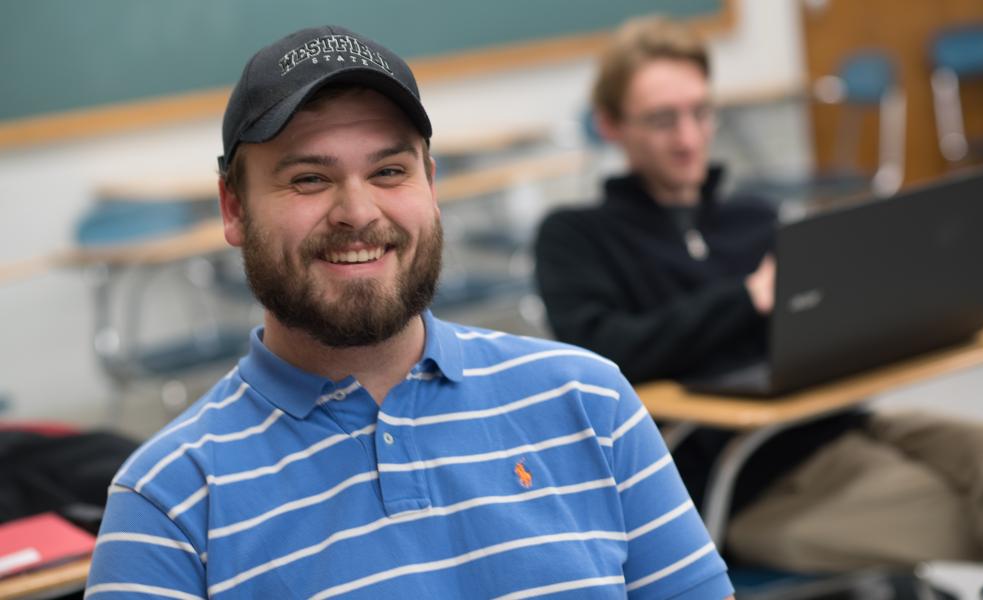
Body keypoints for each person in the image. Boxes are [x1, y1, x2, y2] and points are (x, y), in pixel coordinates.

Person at [85, 25, 735, 600]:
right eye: (309, 179)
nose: (359, 212)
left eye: (390, 171)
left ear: (431, 181)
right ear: (234, 207)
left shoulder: (591, 402)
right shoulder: (167, 505)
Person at [534, 15, 983, 575]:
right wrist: (746, 299)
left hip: (840, 430)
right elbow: (603, 351)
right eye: (662, 120)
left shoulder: (755, 218)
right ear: (611, 125)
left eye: (700, 112)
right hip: (748, 484)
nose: (689, 138)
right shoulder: (577, 236)